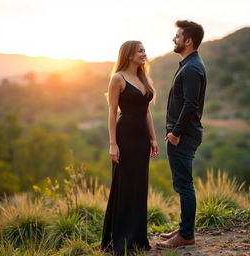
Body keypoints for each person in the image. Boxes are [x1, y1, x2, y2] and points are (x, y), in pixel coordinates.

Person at [101, 40, 158, 255]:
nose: (144, 53)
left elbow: (147, 112)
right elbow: (111, 112)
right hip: (124, 138)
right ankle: (120, 239)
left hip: (142, 139)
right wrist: (113, 143)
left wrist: (152, 138)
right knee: (124, 187)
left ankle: (137, 239)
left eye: (144, 50)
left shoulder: (143, 77)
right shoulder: (118, 78)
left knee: (139, 186)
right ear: (129, 54)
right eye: (140, 50)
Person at [156, 20, 206, 249]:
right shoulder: (189, 64)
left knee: (184, 186)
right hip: (182, 134)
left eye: (177, 36)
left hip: (183, 136)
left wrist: (175, 133)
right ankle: (184, 229)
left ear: (188, 41)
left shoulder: (193, 68)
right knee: (182, 184)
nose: (173, 39)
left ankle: (186, 235)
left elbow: (191, 105)